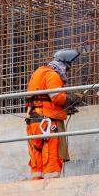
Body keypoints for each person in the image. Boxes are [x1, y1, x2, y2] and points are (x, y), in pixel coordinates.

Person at [25, 49, 82, 180]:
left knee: (37, 159)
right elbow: (56, 97)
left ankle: (37, 187)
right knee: (52, 157)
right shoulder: (53, 75)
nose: (67, 71)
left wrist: (65, 108)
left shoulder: (38, 73)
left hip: (33, 122)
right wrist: (71, 99)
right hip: (47, 123)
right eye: (68, 68)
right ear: (64, 64)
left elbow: (42, 99)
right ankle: (52, 187)